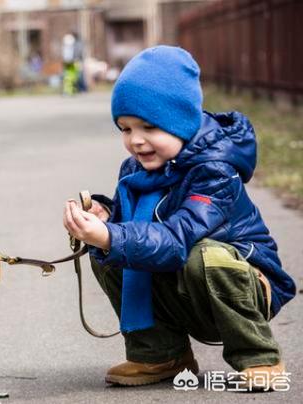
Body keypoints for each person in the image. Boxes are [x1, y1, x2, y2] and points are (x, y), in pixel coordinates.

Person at [62, 45, 296, 390]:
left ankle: (258, 355)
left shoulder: (215, 172)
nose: (136, 141)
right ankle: (159, 353)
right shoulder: (135, 169)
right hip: (186, 287)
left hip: (242, 288)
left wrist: (113, 236)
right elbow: (136, 233)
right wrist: (106, 217)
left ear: (182, 123)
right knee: (110, 253)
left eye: (148, 127)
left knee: (204, 256)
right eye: (125, 129)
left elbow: (175, 239)